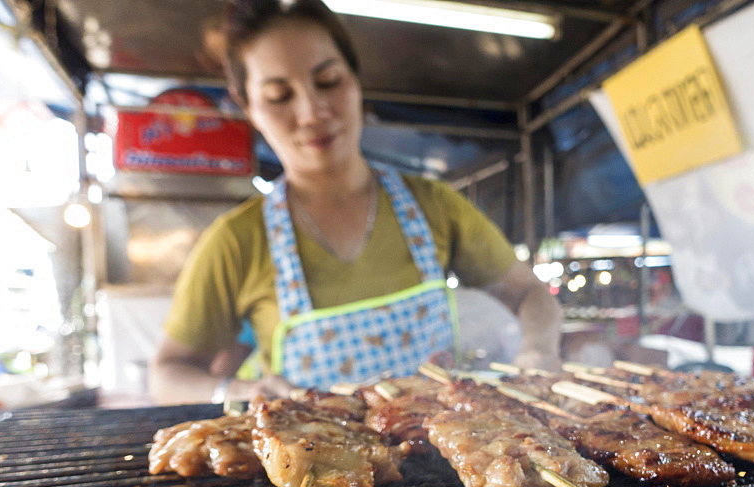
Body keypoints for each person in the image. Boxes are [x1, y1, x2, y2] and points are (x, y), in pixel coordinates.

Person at [148, 0, 562, 405]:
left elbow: (529, 294)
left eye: (328, 81)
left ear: (355, 78)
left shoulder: (435, 205)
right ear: (248, 106)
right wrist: (235, 390)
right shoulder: (235, 241)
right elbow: (167, 373)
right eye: (279, 95)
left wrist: (539, 352)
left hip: (437, 460)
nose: (311, 112)